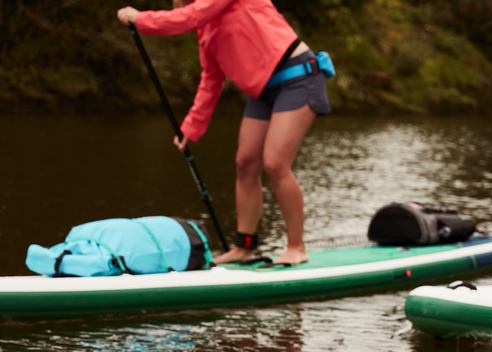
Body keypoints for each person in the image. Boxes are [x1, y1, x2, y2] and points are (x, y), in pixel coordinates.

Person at [116, 0, 332, 266]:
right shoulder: (206, 31)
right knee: (245, 164)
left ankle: (296, 248)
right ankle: (244, 247)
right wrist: (190, 127)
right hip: (263, 91)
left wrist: (141, 19)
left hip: (298, 76)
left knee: (275, 163)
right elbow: (211, 80)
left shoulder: (207, 10)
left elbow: (190, 16)